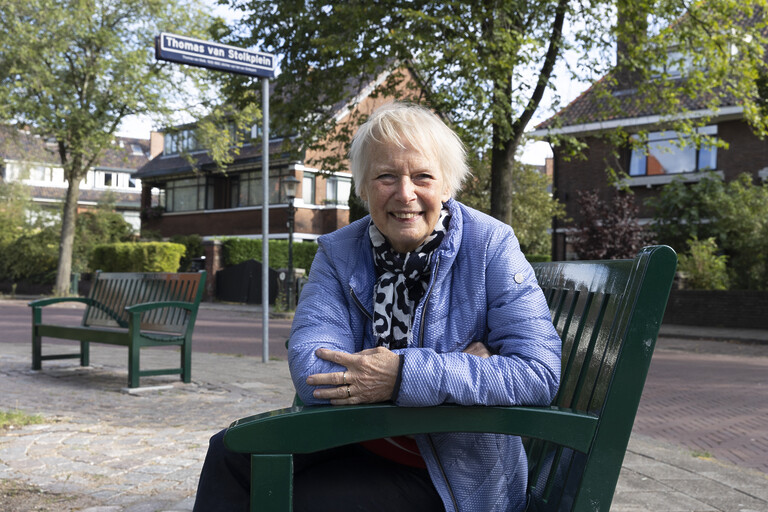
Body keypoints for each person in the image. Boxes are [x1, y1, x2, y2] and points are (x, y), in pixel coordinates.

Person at [193, 102, 561, 512]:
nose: (405, 194)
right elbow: (312, 368)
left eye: (422, 176)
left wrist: (402, 374)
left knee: (294, 502)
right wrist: (455, 367)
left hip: (454, 472)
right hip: (351, 436)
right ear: (364, 188)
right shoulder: (339, 251)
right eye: (386, 177)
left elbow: (538, 372)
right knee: (228, 452)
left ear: (446, 186)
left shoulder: (491, 244)